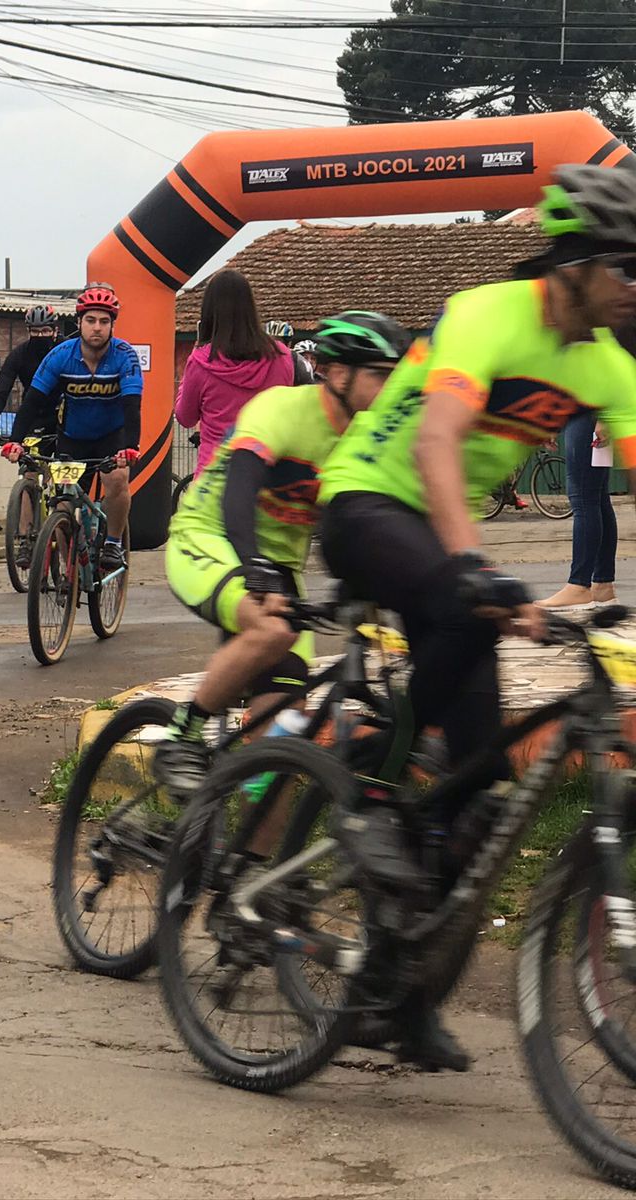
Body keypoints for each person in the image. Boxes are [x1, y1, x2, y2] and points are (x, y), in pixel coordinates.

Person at [317, 164, 636, 1072]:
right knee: (464, 604)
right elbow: (434, 439)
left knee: (478, 797)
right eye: (629, 268)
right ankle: (373, 795)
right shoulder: (489, 312)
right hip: (373, 504)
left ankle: (395, 998)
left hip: (450, 547)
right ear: (576, 263)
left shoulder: (610, 365)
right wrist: (472, 564)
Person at [154, 312, 410, 791]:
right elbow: (241, 486)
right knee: (271, 631)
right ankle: (181, 736)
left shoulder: (369, 440)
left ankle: (246, 862)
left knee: (279, 756)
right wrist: (254, 570)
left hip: (281, 568)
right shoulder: (283, 408)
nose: (389, 388)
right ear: (338, 374)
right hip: (209, 539)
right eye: (379, 375)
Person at [4, 285, 143, 572]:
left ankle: (114, 543)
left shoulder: (124, 356)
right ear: (79, 322)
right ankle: (73, 574)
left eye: (104, 322)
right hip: (73, 439)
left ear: (112, 326)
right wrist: (16, 441)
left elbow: (132, 407)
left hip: (111, 436)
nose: (97, 328)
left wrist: (131, 447)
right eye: (91, 320)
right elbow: (31, 403)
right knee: (63, 508)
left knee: (117, 479)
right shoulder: (60, 356)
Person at [176, 272, 299, 474]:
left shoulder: (200, 362)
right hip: (266, 476)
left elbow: (185, 417)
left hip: (214, 479)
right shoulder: (282, 356)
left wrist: (188, 371)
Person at [541, 412, 617, 608]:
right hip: (584, 411)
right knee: (597, 498)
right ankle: (602, 585)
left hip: (589, 412)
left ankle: (579, 586)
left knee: (583, 498)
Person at [0, 303, 61, 444]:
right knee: (27, 460)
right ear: (28, 331)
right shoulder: (19, 354)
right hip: (32, 414)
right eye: (35, 332)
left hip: (62, 417)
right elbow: (1, 391)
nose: (40, 335)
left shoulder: (65, 349)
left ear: (55, 331)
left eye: (45, 331)